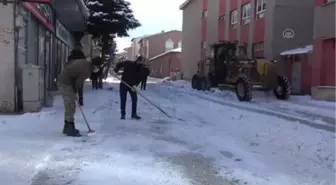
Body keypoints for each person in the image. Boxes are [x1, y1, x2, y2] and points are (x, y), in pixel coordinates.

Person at [58, 50, 92, 137]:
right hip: (65, 83)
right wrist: (75, 92)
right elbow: (79, 83)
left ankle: (67, 127)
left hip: (64, 81)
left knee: (69, 104)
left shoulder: (85, 63)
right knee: (70, 105)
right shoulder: (87, 70)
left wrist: (74, 92)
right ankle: (70, 129)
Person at [113, 56, 143, 120]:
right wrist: (115, 71)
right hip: (124, 84)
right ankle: (123, 114)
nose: (140, 63)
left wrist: (136, 85)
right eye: (139, 61)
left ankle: (133, 114)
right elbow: (119, 64)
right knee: (123, 99)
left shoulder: (141, 69)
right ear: (137, 60)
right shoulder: (128, 63)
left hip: (132, 86)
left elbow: (140, 78)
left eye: (141, 62)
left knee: (134, 99)